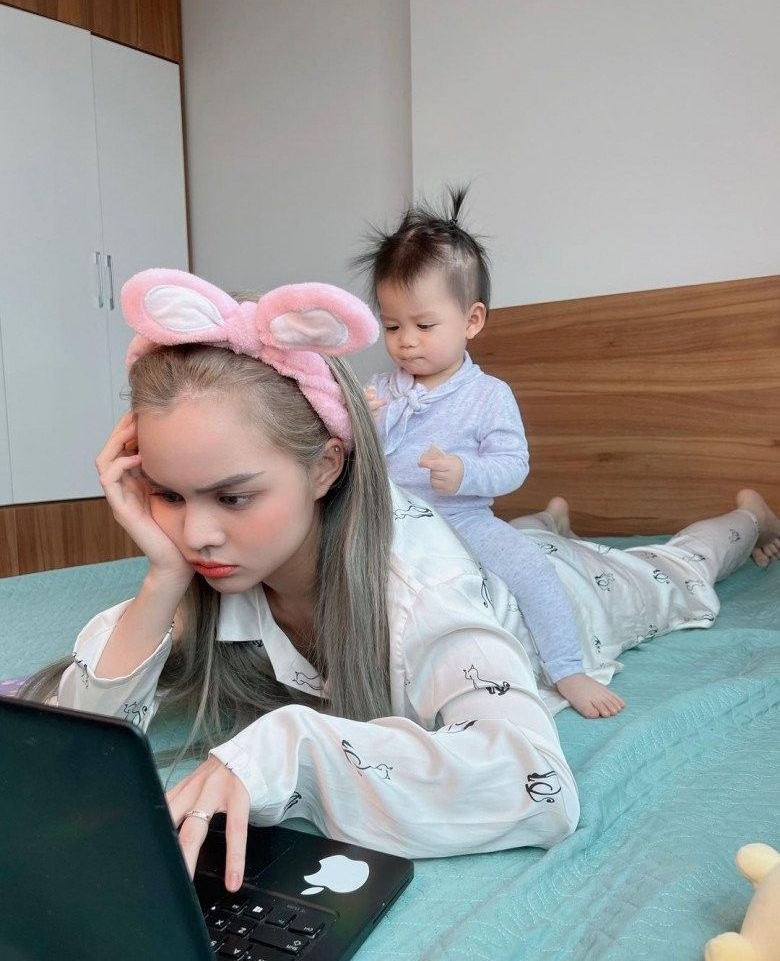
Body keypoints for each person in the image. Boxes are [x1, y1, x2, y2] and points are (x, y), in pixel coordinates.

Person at [23, 269, 779, 897]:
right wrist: (161, 578)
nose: (196, 535)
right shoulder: (206, 566)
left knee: (675, 572)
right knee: (524, 539)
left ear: (326, 467)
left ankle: (746, 517)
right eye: (166, 494)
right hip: (475, 551)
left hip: (562, 595)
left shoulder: (414, 583)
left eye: (234, 497)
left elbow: (535, 783)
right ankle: (542, 527)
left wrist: (293, 744)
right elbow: (72, 739)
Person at [356, 186, 623, 718]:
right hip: (392, 521)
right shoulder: (381, 390)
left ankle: (568, 668)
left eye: (424, 325)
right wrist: (365, 426)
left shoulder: (488, 395)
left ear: (471, 321)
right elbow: (361, 464)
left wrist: (464, 473)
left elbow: (512, 466)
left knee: (531, 570)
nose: (406, 340)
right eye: (391, 326)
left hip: (463, 518)